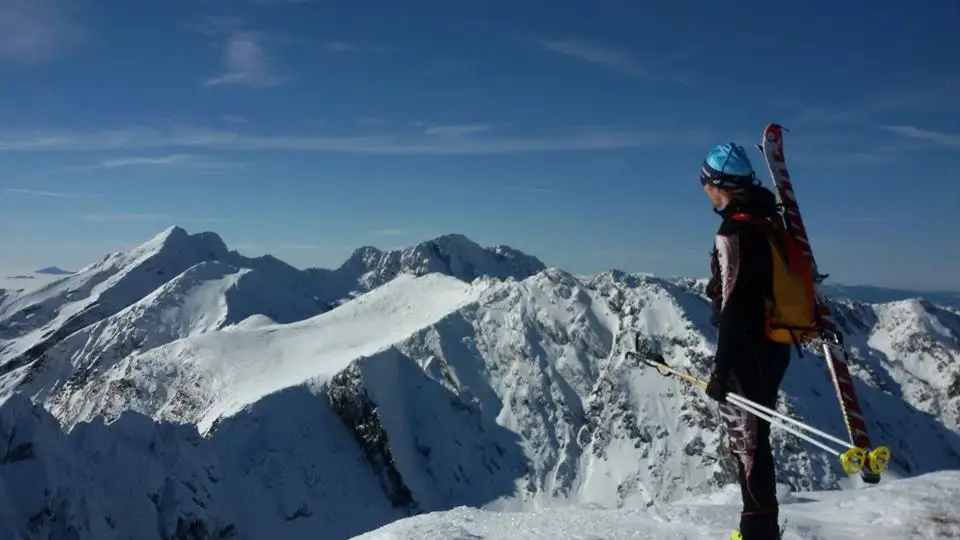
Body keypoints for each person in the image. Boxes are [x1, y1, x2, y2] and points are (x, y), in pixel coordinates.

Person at [700, 142, 792, 540]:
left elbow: (734, 306)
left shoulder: (733, 230)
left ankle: (756, 532)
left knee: (747, 449)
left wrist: (720, 371)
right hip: (774, 347)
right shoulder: (767, 219)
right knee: (758, 444)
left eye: (705, 182)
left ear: (718, 184)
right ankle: (762, 527)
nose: (704, 191)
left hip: (747, 353)